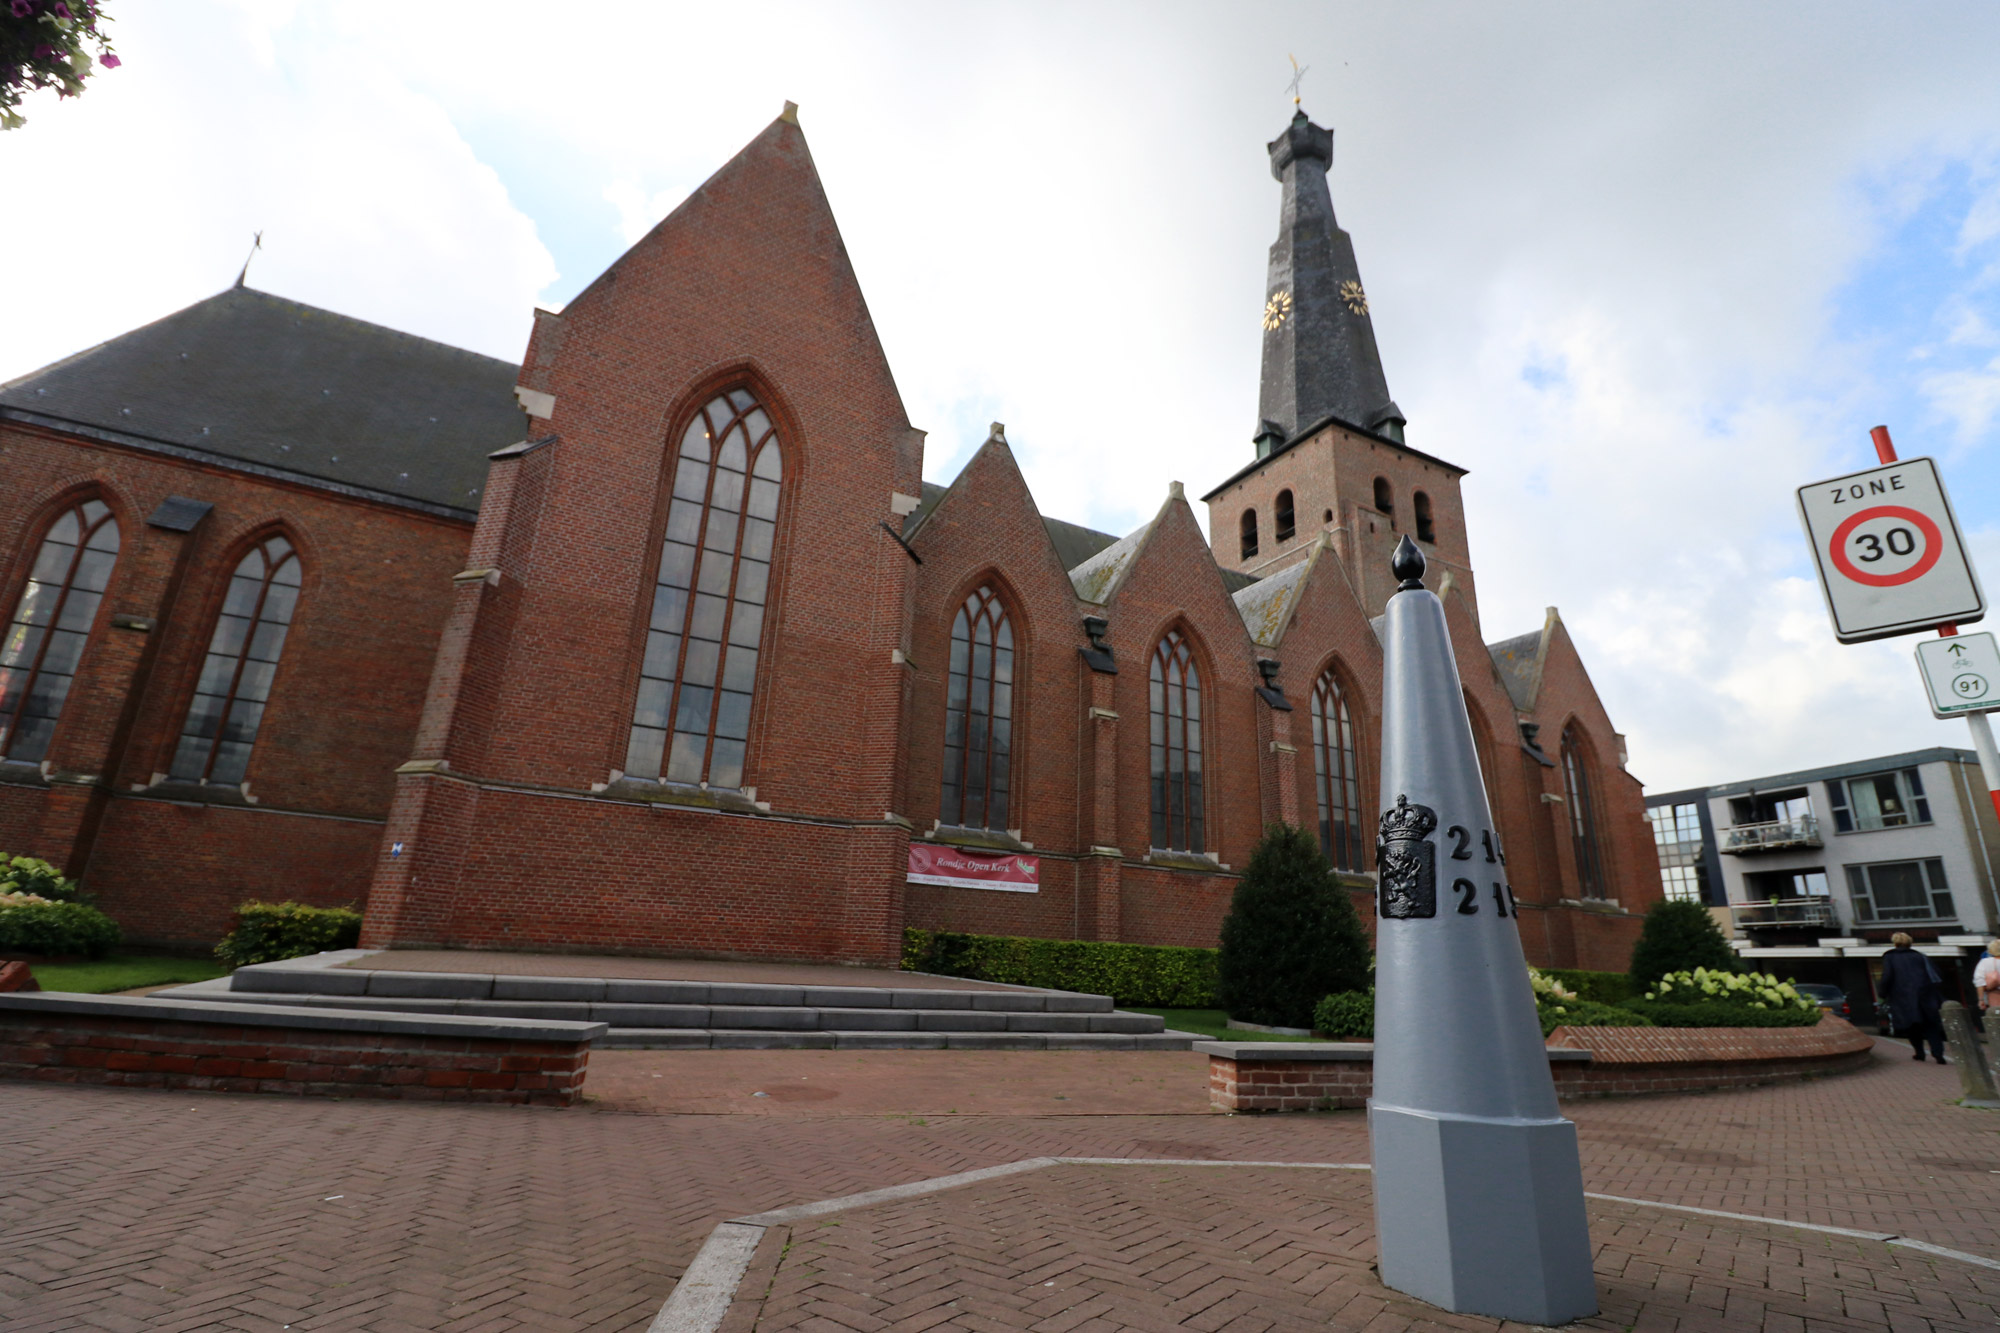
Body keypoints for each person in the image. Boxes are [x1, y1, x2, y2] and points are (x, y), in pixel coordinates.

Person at [1877, 933, 1946, 1064]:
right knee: (1931, 1025)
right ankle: (1938, 1054)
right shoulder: (1920, 956)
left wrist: (1883, 993)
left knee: (1912, 1026)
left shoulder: (1890, 957)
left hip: (1903, 996)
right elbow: (1936, 974)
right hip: (1926, 995)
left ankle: (1919, 1053)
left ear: (1895, 943)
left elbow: (1887, 975)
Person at [1974, 939, 2000, 1015]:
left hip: (1993, 994)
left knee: (1996, 1016)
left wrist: (1981, 1000)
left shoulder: (1984, 962)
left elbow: (1979, 982)